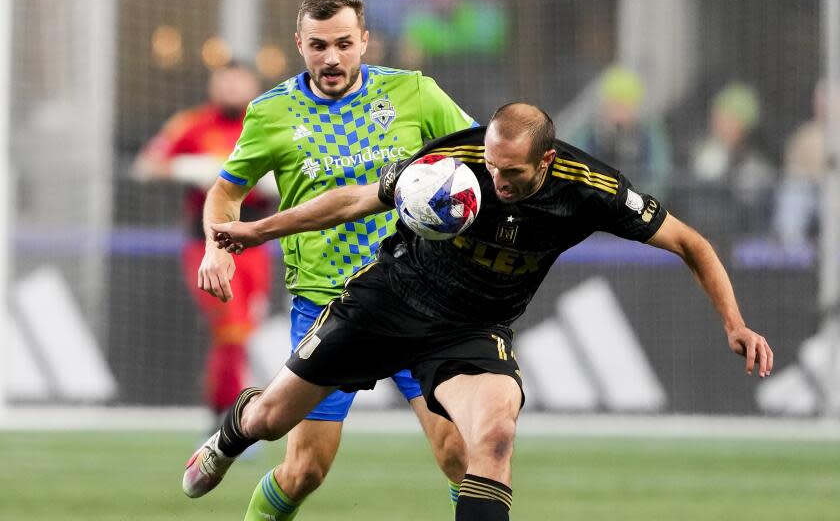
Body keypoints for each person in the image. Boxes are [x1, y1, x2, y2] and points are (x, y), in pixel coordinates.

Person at [185, 103, 774, 521]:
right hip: (387, 302)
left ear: (545, 163)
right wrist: (259, 230)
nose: (495, 179)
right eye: (491, 166)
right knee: (271, 424)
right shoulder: (455, 159)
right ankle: (232, 432)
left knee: (491, 439)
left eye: (511, 172)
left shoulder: (590, 188)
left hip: (470, 330)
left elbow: (692, 243)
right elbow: (360, 199)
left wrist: (735, 322)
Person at [194, 0, 477, 520]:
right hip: (328, 304)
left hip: (418, 297)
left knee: (462, 453)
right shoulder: (271, 112)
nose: (332, 58)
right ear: (299, 43)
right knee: (306, 471)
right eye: (319, 45)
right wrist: (217, 245)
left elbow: (478, 155)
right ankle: (231, 436)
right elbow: (224, 193)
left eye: (344, 44)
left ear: (364, 41)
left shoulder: (414, 93)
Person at [132, 61, 274, 431]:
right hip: (207, 246)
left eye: (239, 82)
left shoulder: (269, 124)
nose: (231, 89)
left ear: (254, 86)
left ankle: (226, 417)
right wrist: (192, 168)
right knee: (231, 328)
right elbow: (146, 166)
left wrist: (267, 182)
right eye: (224, 81)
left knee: (241, 332)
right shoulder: (193, 124)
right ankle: (226, 419)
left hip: (257, 246)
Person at [569, 65, 673, 198]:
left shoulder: (649, 134)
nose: (620, 112)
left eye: (625, 106)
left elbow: (659, 173)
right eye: (614, 105)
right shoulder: (590, 134)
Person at [689, 82, 775, 238]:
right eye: (717, 118)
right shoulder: (705, 153)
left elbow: (754, 200)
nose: (717, 124)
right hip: (705, 228)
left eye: (726, 120)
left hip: (741, 231)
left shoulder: (756, 162)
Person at [773, 80, 831, 246]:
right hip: (811, 193)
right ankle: (792, 251)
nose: (824, 105)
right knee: (794, 192)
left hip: (834, 195)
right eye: (820, 100)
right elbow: (791, 167)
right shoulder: (805, 134)